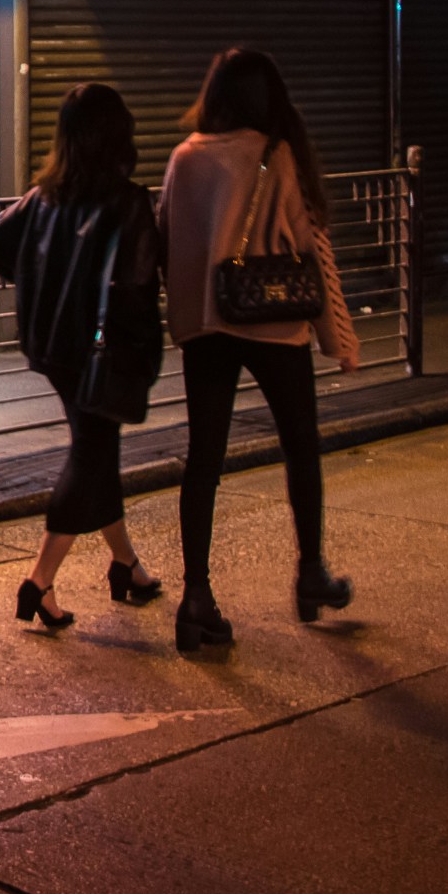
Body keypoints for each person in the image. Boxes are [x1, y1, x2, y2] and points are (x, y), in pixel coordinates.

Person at [158, 48, 362, 653]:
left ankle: (197, 596)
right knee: (301, 449)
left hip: (206, 327)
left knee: (204, 462)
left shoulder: (185, 157)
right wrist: (338, 338)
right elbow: (310, 247)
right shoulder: (276, 154)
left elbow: (168, 236)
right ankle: (309, 575)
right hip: (273, 322)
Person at [0, 82, 167, 630]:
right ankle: (38, 581)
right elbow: (136, 284)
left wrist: (42, 289)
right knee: (90, 455)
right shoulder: (129, 202)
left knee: (96, 449)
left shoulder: (44, 198)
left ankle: (126, 564)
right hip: (102, 352)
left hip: (55, 348)